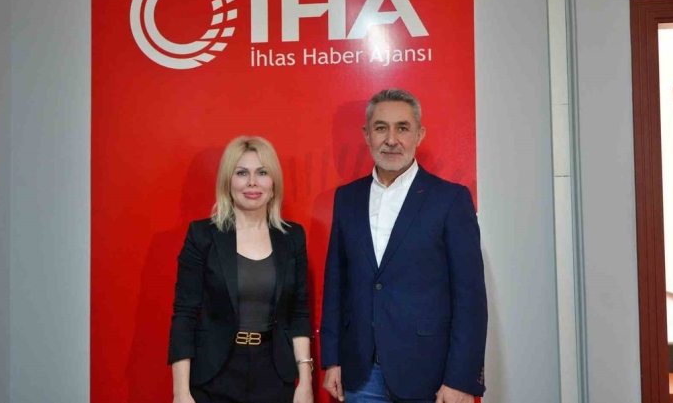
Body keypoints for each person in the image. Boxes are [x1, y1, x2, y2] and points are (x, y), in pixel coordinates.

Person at [320, 89, 487, 403]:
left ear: (419, 135)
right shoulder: (347, 198)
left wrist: (461, 380)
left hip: (430, 375)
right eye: (381, 128)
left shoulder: (450, 199)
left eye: (403, 128)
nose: (391, 139)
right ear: (366, 134)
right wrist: (332, 359)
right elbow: (336, 285)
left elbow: (471, 299)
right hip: (360, 374)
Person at [168, 136, 314, 403]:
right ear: (228, 182)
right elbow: (185, 314)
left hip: (275, 376)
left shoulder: (293, 237)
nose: (252, 182)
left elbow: (299, 313)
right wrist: (180, 392)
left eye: (262, 173)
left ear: (273, 183)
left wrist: (305, 382)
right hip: (213, 375)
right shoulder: (202, 236)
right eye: (242, 173)